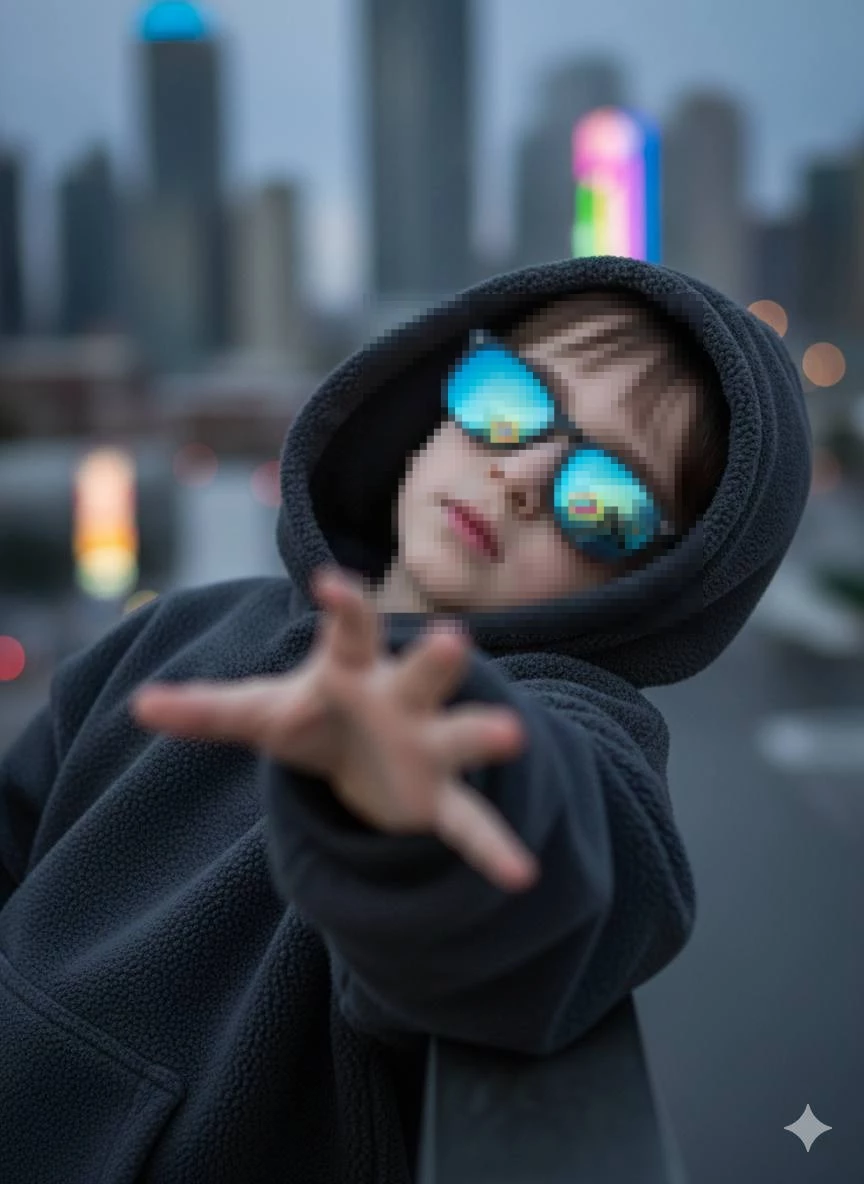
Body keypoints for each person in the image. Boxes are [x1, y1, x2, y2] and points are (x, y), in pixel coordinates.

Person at [0, 256, 812, 1183]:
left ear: (654, 586)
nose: (520, 476)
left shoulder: (570, 724)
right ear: (438, 401)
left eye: (605, 502)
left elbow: (598, 862)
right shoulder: (181, 634)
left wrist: (433, 794)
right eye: (509, 401)